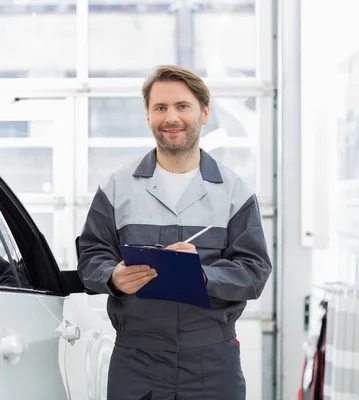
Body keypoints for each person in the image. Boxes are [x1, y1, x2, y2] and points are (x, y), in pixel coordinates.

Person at [77, 65, 272, 399]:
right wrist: (112, 277)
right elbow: (91, 256)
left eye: (182, 106)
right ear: (148, 115)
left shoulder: (234, 192)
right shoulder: (116, 187)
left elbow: (254, 271)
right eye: (160, 107)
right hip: (136, 360)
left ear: (204, 113)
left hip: (211, 360)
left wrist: (204, 275)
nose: (171, 118)